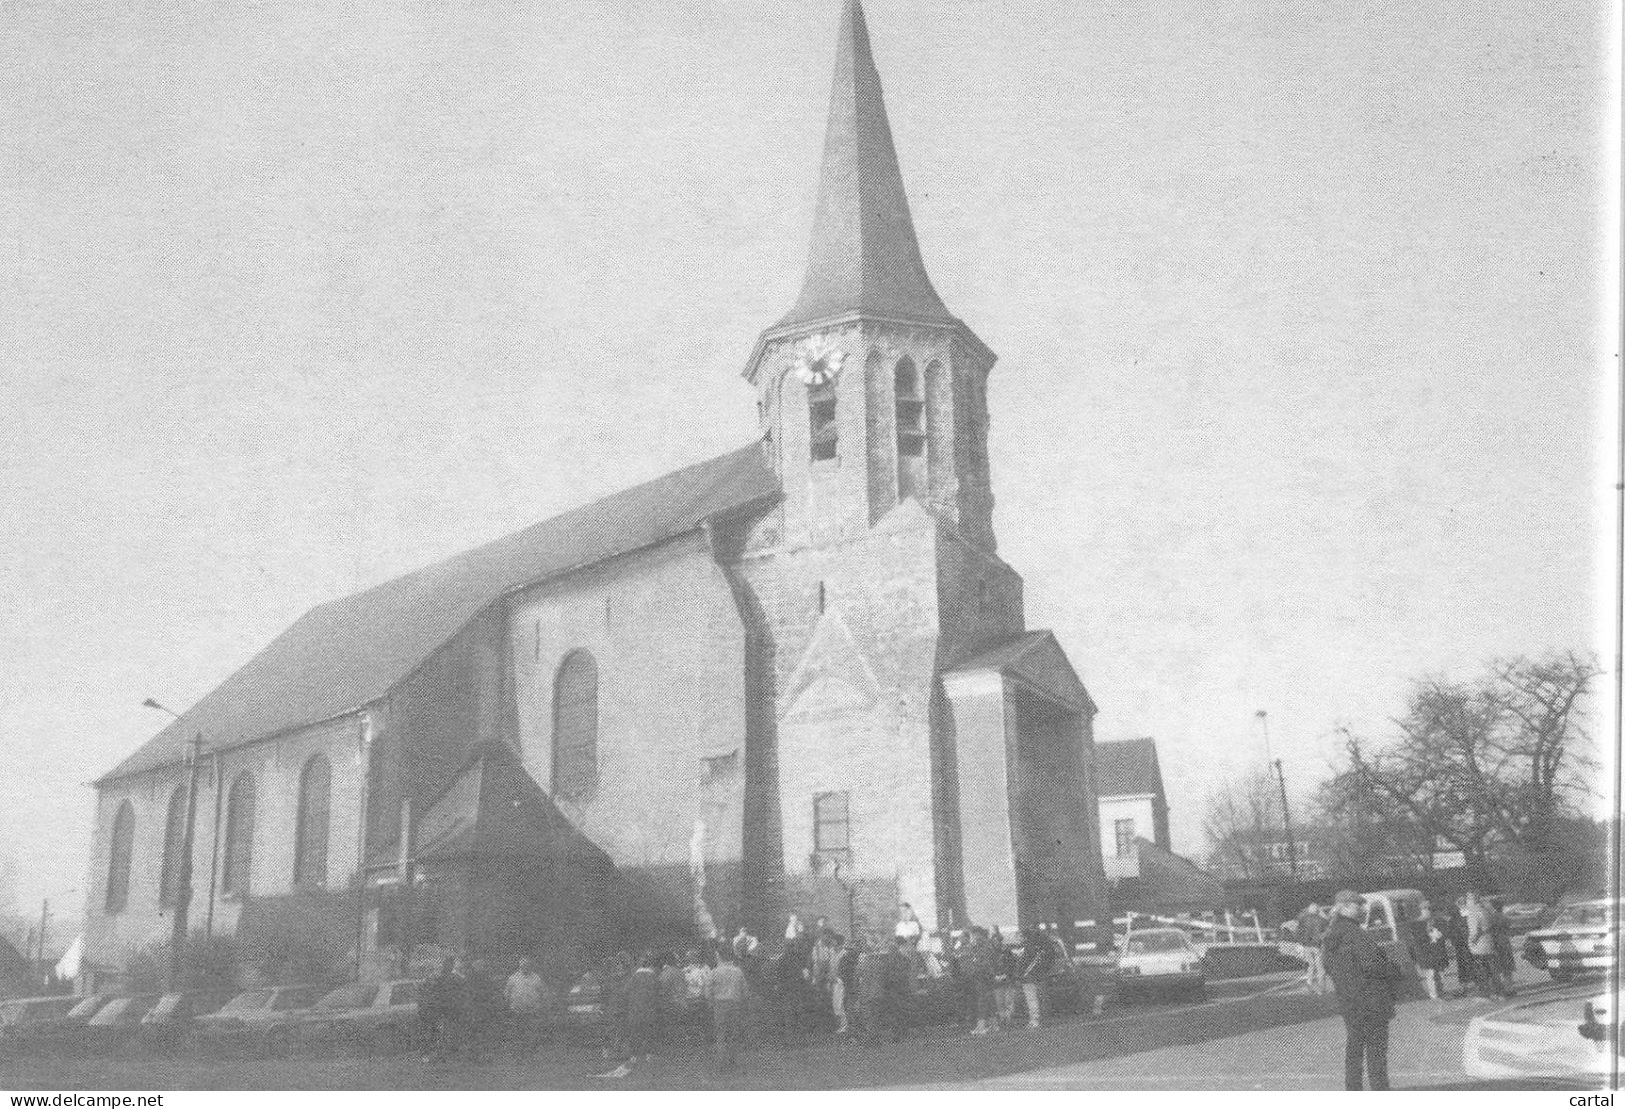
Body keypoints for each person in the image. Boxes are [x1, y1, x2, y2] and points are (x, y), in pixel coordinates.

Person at [1322, 889, 1406, 1090]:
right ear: (1347, 907)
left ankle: (1353, 1090)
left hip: (1348, 1000)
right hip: (1370, 999)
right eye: (1359, 905)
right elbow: (1373, 965)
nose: (1363, 909)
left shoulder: (1330, 935)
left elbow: (1327, 966)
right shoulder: (1355, 933)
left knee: (1355, 1049)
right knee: (1376, 1052)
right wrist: (1395, 969)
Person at [705, 945, 749, 1074]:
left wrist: (711, 1003)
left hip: (720, 1004)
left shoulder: (714, 972)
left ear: (719, 956)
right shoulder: (738, 971)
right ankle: (734, 1060)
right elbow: (745, 991)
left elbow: (708, 991)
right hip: (735, 1003)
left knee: (721, 1033)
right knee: (734, 1033)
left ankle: (720, 1063)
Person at [1464, 891, 1510, 999]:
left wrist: (1470, 942)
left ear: (1471, 901)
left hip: (1479, 946)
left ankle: (1486, 994)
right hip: (1489, 943)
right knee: (1494, 970)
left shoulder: (1473, 913)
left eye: (1467, 900)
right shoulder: (1485, 911)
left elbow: (1475, 932)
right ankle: (1499, 992)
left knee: (1482, 971)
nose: (1467, 902)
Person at [419, 956, 464, 1061]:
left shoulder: (441, 978)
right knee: (443, 1031)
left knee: (441, 1031)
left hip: (442, 1009)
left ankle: (439, 1052)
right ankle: (440, 1052)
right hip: (445, 1009)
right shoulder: (450, 978)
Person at [623, 952, 662, 1068]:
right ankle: (649, 1055)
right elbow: (659, 992)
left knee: (635, 1033)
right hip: (650, 1010)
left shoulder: (634, 977)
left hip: (635, 1010)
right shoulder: (654, 977)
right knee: (649, 1032)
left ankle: (634, 1056)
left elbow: (625, 991)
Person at [462, 956, 503, 1063]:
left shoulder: (487, 980)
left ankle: (483, 1055)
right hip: (474, 1011)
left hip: (484, 1011)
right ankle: (473, 1055)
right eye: (482, 966)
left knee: (484, 1032)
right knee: (473, 1033)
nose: (484, 968)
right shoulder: (470, 980)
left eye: (484, 966)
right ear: (476, 968)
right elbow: (468, 995)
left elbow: (492, 994)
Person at [505, 956, 551, 1050]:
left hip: (533, 1010)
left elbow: (544, 992)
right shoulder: (513, 978)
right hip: (517, 1011)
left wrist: (542, 1005)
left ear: (530, 966)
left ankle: (531, 1049)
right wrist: (509, 1005)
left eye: (527, 965)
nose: (525, 967)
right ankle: (520, 1050)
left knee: (532, 1031)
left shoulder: (537, 978)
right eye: (523, 965)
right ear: (519, 966)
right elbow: (507, 993)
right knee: (518, 1031)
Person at [1406, 902, 1449, 1001]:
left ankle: (1441, 991)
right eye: (1427, 909)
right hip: (1426, 952)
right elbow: (1418, 939)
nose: (1429, 911)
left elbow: (1445, 934)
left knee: (1440, 973)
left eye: (1430, 909)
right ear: (1422, 910)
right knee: (1431, 974)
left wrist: (1439, 934)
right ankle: (1434, 995)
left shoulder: (1437, 921)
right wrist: (1429, 933)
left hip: (1438, 951)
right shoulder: (1416, 923)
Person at [1019, 928, 1061, 1028]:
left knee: (1032, 999)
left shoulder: (1028, 948)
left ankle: (1035, 1020)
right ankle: (1044, 1020)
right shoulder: (1041, 947)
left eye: (1020, 936)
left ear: (1025, 937)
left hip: (1029, 977)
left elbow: (1024, 964)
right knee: (1042, 997)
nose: (1019, 938)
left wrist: (1021, 974)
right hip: (1040, 976)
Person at [963, 926, 996, 1035]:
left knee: (982, 1001)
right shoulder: (986, 945)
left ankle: (981, 1026)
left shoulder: (981, 946)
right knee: (989, 1000)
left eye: (972, 934)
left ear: (977, 934)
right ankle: (993, 1024)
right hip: (986, 976)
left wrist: (974, 970)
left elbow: (981, 963)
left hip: (981, 977)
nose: (970, 937)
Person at [1296, 903, 1328, 993]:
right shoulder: (1322, 920)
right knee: (1320, 967)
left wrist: (1301, 942)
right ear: (1317, 910)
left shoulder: (1303, 919)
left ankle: (1309, 985)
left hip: (1306, 945)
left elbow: (1298, 932)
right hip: (1318, 946)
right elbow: (1328, 930)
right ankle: (1321, 988)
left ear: (1309, 910)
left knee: (1310, 965)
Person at [992, 928, 1019, 1029]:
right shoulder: (991, 953)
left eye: (998, 940)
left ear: (1000, 940)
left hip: (1008, 980)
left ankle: (1009, 1020)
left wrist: (1007, 974)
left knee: (1009, 1001)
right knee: (999, 1002)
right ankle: (1003, 1019)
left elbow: (1012, 965)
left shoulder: (1007, 952)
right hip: (997, 981)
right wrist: (994, 975)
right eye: (994, 940)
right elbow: (990, 966)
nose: (996, 942)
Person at [834, 933, 860, 1035]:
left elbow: (847, 972)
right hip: (845, 984)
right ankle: (849, 1028)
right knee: (845, 1006)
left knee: (849, 1007)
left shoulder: (846, 957)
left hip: (848, 985)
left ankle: (851, 1029)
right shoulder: (844, 957)